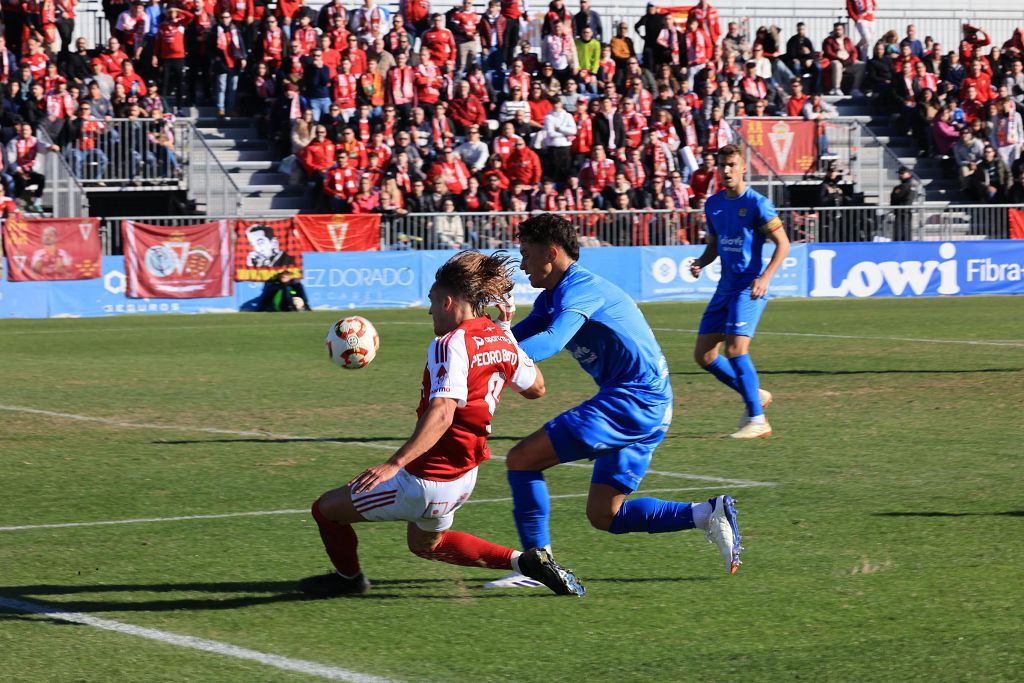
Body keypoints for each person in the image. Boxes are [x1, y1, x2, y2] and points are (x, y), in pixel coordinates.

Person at [299, 251, 584, 597]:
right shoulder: (498, 337)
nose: (430, 310)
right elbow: (537, 389)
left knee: (325, 511)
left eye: (433, 302)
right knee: (426, 545)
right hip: (465, 477)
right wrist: (508, 334)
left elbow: (444, 411)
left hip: (426, 478)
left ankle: (348, 581)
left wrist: (394, 464)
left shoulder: (449, 344)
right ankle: (526, 563)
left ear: (448, 301)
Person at [484, 213, 744, 590]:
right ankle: (707, 513)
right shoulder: (552, 297)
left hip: (632, 400)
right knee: (605, 514)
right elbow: (514, 340)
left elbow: (552, 342)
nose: (522, 263)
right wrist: (480, 339)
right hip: (651, 403)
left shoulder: (580, 288)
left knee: (523, 459)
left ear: (551, 253)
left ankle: (539, 569)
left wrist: (489, 360)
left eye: (526, 253)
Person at [690, 144, 791, 439]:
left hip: (748, 287)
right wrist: (701, 262)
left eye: (732, 164)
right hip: (724, 287)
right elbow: (714, 246)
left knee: (736, 350)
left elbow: (783, 244)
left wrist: (765, 277)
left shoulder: (758, 204)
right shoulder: (713, 204)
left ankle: (758, 419)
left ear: (744, 167)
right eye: (722, 165)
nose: (727, 170)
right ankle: (754, 393)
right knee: (705, 356)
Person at [890, 166, 918, 240]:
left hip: (903, 213)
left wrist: (895, 192)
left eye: (902, 173)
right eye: (899, 173)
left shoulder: (905, 187)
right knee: (901, 235)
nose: (900, 175)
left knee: (902, 235)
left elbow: (896, 197)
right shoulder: (905, 186)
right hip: (901, 213)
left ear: (909, 174)